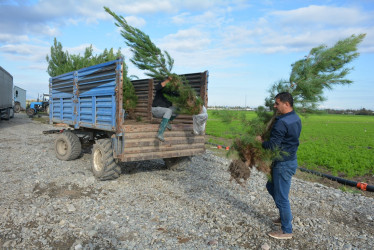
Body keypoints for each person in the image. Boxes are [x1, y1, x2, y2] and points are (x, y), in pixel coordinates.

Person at [256, 92, 302, 240]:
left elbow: (273, 146)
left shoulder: (282, 122)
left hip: (282, 164)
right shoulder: (295, 118)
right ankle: (284, 216)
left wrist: (261, 142)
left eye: (277, 103)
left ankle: (287, 230)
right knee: (271, 187)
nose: (275, 106)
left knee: (282, 198)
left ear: (286, 104)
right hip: (290, 160)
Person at [152, 76, 178, 141]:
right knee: (168, 111)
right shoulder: (162, 84)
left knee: (177, 109)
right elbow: (157, 87)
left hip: (165, 111)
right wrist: (168, 80)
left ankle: (167, 122)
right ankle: (160, 133)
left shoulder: (171, 90)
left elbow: (179, 95)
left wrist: (177, 87)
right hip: (156, 109)